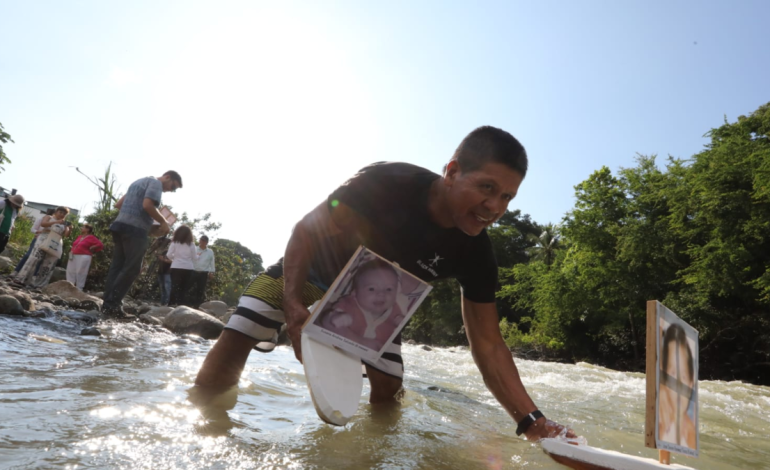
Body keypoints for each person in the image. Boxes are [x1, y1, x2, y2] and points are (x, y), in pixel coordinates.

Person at [193, 126, 574, 441]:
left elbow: (489, 345)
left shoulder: (476, 254)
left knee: (389, 391)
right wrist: (292, 304)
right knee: (240, 333)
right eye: (487, 188)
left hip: (376, 302)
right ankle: (206, 432)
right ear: (453, 171)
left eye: (507, 196)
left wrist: (533, 422)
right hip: (312, 271)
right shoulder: (389, 182)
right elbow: (306, 231)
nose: (495, 208)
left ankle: (371, 453)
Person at [102, 171, 182, 318]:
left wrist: (147, 223)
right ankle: (113, 305)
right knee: (132, 268)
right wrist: (163, 222)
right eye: (173, 187)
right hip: (134, 230)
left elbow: (119, 204)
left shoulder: (138, 182)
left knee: (117, 267)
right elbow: (147, 205)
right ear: (167, 177)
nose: (171, 190)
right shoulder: (156, 183)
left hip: (119, 226)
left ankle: (107, 304)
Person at [317, 258, 405, 351]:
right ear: (354, 292)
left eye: (389, 289)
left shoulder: (396, 312)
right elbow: (324, 319)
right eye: (371, 289)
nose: (381, 294)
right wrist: (334, 317)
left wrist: (401, 323)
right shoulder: (348, 303)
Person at [658, 323, 697, 449]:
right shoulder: (659, 431)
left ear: (691, 383)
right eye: (673, 374)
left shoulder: (692, 436)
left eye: (684, 376)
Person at [14, 206, 72, 288]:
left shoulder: (64, 224)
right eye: (60, 212)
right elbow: (43, 224)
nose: (62, 215)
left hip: (55, 242)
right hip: (44, 238)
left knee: (48, 263)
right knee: (35, 258)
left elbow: (66, 235)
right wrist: (56, 222)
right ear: (56, 212)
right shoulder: (49, 217)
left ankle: (38, 284)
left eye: (64, 214)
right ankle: (22, 279)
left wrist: (69, 228)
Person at [15, 208, 54, 275]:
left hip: (47, 242)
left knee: (40, 260)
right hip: (37, 239)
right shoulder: (41, 219)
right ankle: (17, 271)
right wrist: (41, 232)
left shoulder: (56, 223)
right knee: (28, 255)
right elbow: (33, 229)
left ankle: (32, 276)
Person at [65, 223, 104, 290]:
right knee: (70, 271)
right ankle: (69, 286)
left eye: (83, 227)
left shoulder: (91, 237)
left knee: (80, 272)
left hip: (84, 256)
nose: (81, 228)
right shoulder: (79, 237)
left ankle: (79, 288)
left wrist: (93, 247)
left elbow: (100, 245)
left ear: (88, 229)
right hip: (73, 255)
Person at [167, 225, 198, 307]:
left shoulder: (174, 243)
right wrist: (198, 256)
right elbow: (195, 258)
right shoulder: (192, 244)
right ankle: (181, 305)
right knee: (184, 288)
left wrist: (175, 258)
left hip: (176, 266)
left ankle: (171, 304)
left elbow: (169, 255)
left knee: (174, 286)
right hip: (188, 267)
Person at [191, 235, 215, 306]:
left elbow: (212, 262)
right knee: (188, 287)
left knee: (200, 290)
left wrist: (211, 272)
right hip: (193, 271)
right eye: (201, 240)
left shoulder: (210, 252)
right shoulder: (195, 249)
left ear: (206, 242)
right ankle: (185, 303)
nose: (201, 241)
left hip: (203, 273)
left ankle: (197, 306)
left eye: (203, 240)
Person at [155, 236, 172, 306]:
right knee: (162, 288)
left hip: (168, 272)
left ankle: (167, 303)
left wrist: (163, 259)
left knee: (167, 288)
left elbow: (172, 261)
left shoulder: (171, 251)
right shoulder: (162, 251)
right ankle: (162, 303)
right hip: (161, 271)